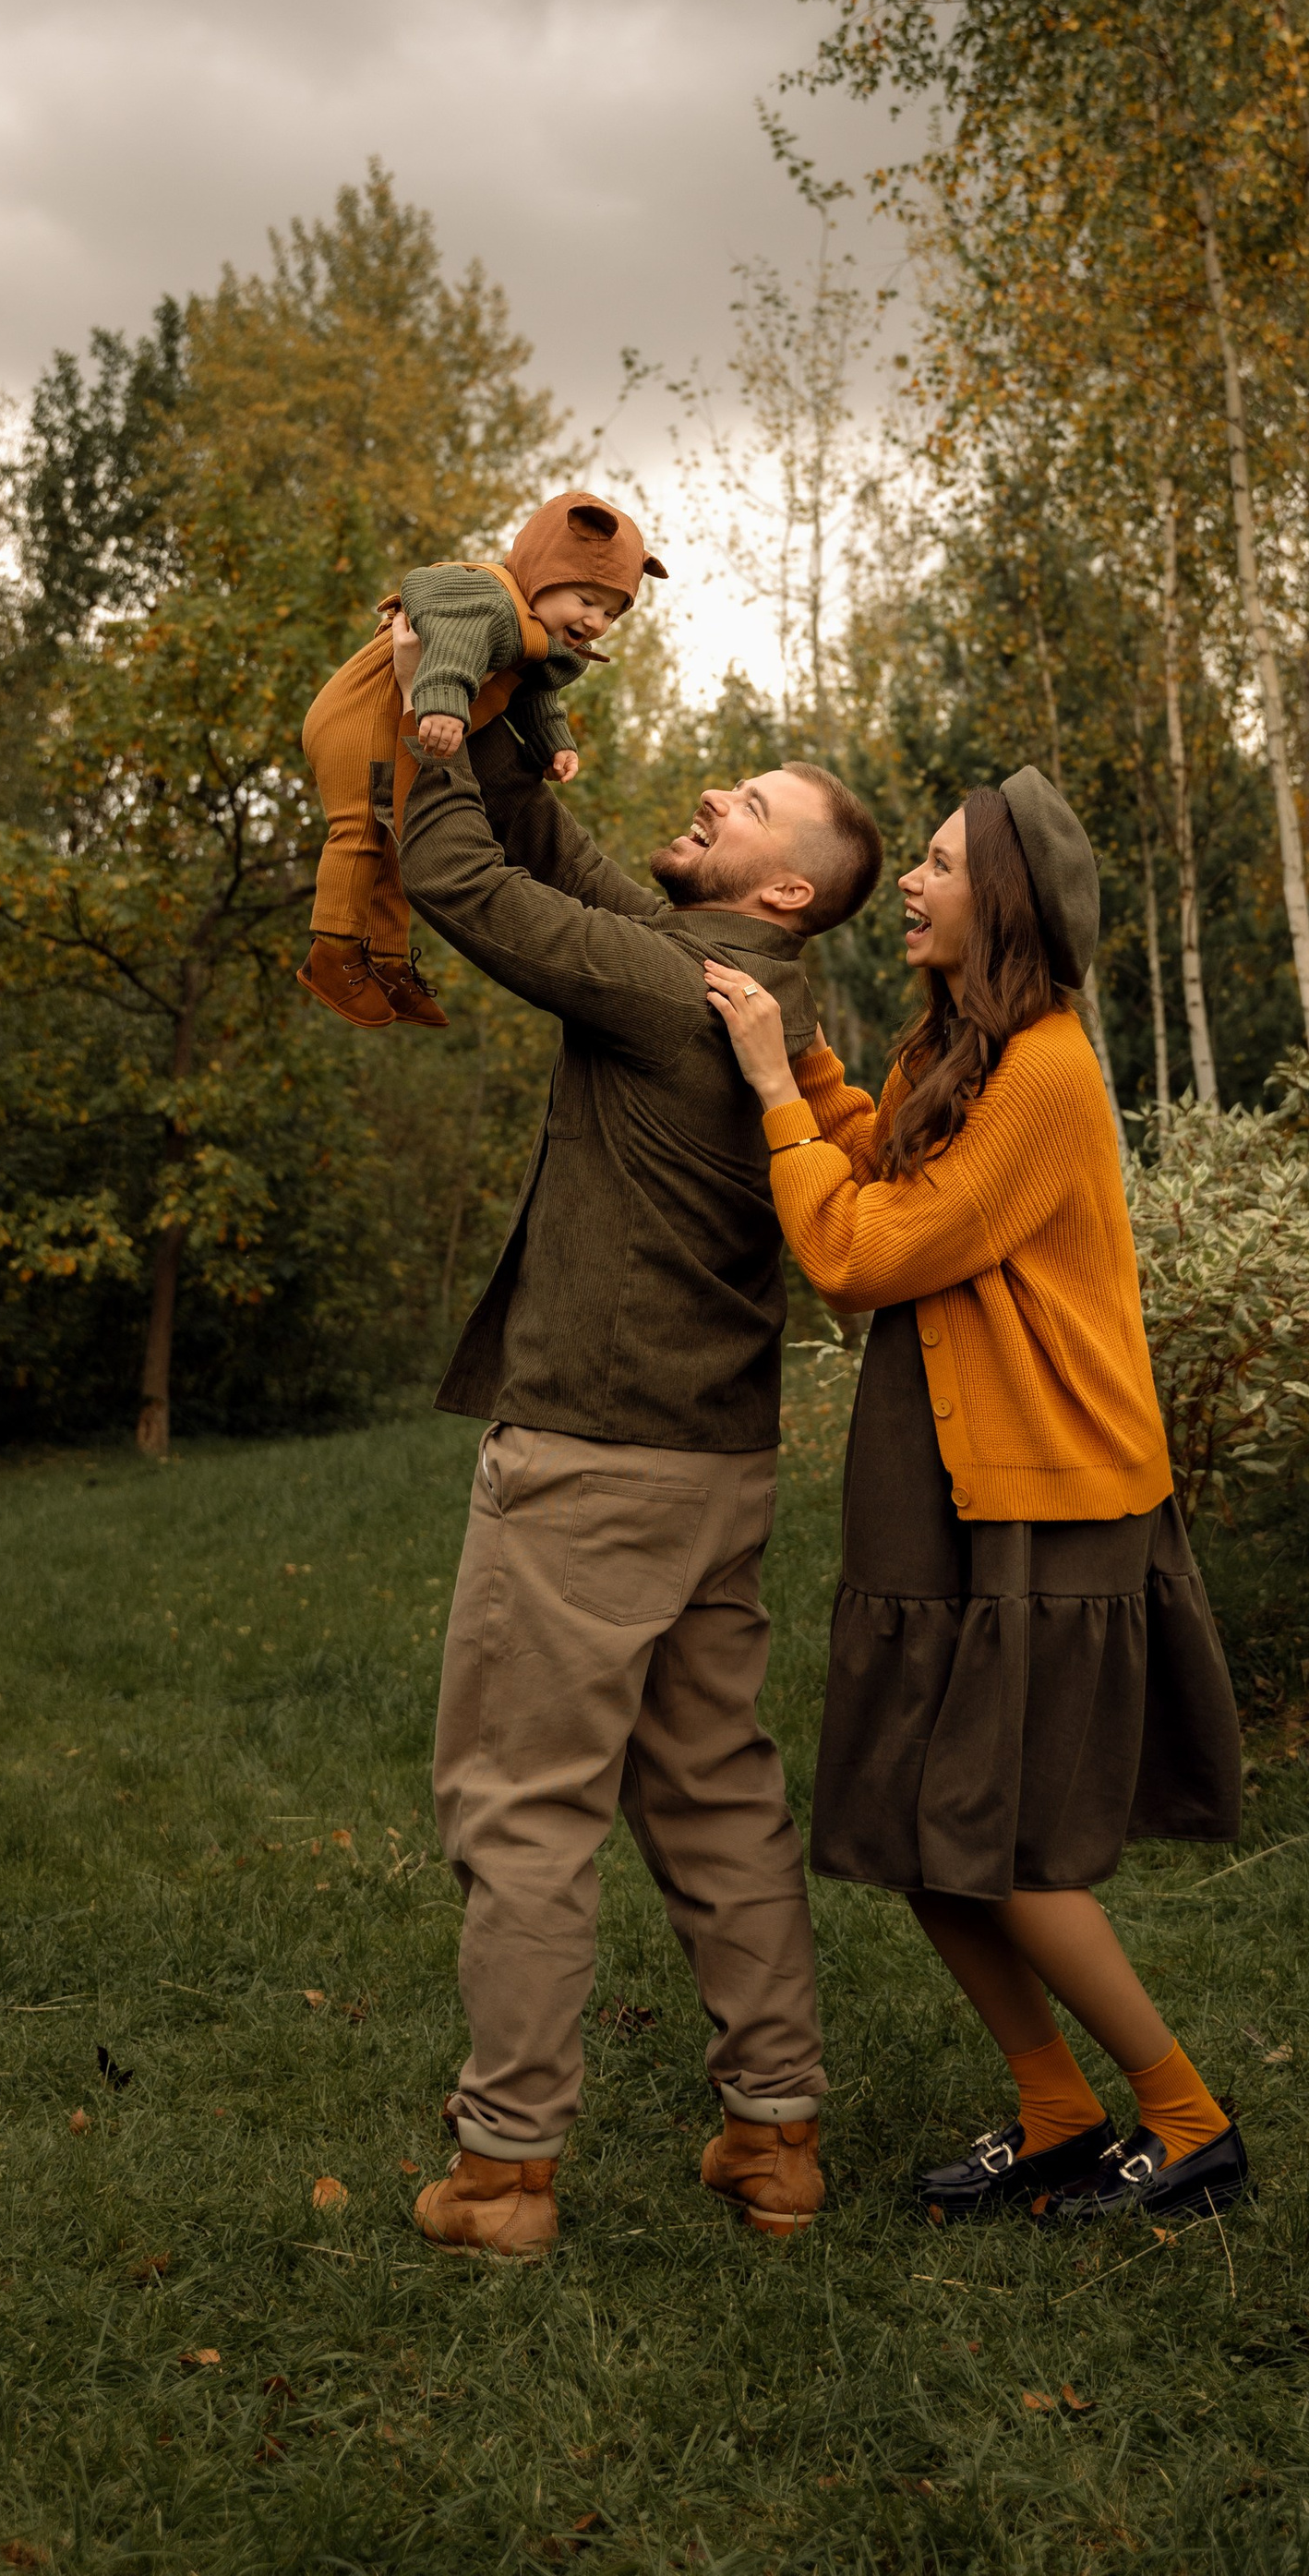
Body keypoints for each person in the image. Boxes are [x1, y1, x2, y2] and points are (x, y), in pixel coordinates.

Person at [703, 767, 1249, 2229]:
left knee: (992, 1832)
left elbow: (867, 1249)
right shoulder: (959, 1054)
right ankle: (1058, 2108)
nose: (919, 887)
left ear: (999, 900)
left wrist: (767, 1092)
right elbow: (875, 1156)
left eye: (940, 866)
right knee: (913, 1825)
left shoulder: (1047, 1071)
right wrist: (806, 1058)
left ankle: (1187, 2119)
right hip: (936, 1481)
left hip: (1047, 1490)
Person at [390, 675, 884, 2258]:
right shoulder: (760, 996)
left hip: (596, 1461)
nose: (715, 797)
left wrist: (439, 741)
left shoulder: (664, 987)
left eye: (746, 800)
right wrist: (522, 751)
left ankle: (506, 2173)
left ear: (787, 886)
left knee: (524, 1809)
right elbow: (571, 863)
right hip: (718, 1467)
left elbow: (464, 881)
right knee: (719, 1798)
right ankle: (775, 2140)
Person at [296, 488, 667, 1031]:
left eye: (613, 612)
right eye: (587, 599)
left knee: (395, 843)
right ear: (543, 571)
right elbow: (447, 648)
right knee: (357, 831)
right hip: (359, 716)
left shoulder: (531, 634)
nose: (599, 621)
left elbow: (533, 695)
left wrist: (553, 744)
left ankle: (388, 961)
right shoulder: (485, 599)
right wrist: (442, 703)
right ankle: (331, 953)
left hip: (400, 720)